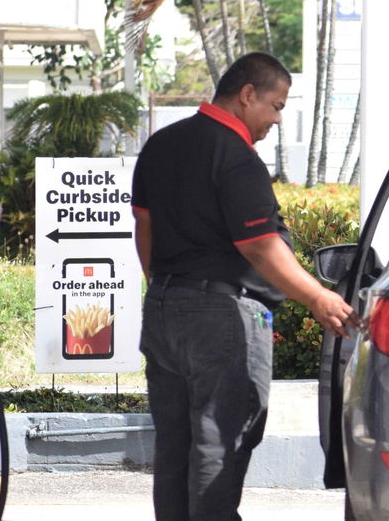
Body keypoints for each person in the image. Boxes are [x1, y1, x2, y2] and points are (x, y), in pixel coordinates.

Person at [132, 52, 359, 521]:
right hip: (222, 317)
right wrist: (318, 297)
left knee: (174, 446)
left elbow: (144, 226)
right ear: (247, 94)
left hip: (163, 308)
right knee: (220, 442)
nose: (277, 119)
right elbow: (259, 245)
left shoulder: (162, 144)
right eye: (276, 106)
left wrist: (166, 289)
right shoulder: (236, 157)